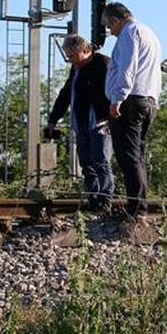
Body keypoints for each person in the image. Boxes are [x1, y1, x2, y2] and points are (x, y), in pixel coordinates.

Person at [102, 1, 162, 220]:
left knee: (129, 156)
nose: (111, 32)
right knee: (138, 156)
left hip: (130, 101)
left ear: (116, 19)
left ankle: (136, 209)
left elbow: (128, 67)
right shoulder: (150, 33)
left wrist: (117, 99)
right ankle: (139, 206)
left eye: (110, 27)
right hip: (148, 100)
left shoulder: (129, 33)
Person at [45, 34, 114, 212]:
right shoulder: (76, 69)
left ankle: (105, 201)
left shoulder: (104, 64)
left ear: (85, 51)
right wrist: (53, 119)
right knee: (86, 163)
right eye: (68, 57)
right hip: (81, 122)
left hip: (100, 122)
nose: (71, 60)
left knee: (101, 162)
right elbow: (66, 94)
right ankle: (93, 200)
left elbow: (115, 91)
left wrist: (110, 118)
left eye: (73, 56)